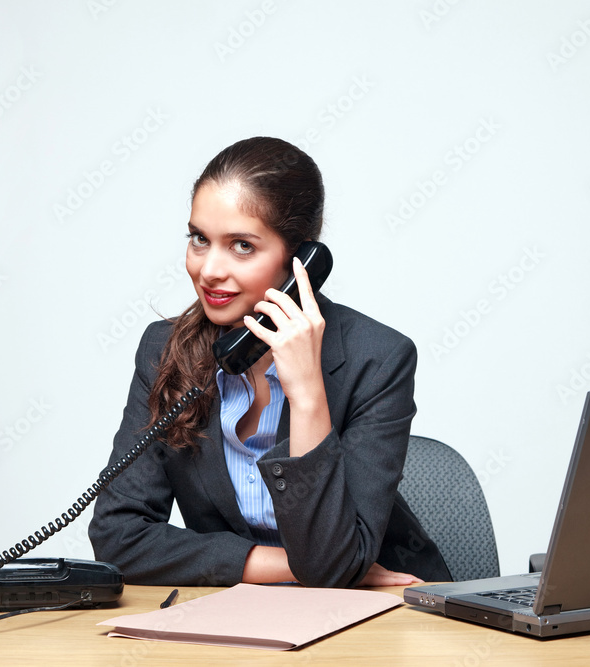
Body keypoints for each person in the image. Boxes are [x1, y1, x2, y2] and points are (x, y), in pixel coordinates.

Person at [88, 137, 452, 588]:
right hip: (248, 608)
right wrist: (285, 568)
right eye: (200, 239)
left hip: (388, 607)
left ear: (301, 259)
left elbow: (331, 563)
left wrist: (306, 394)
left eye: (242, 246)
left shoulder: (376, 360)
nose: (209, 270)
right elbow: (118, 536)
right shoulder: (163, 351)